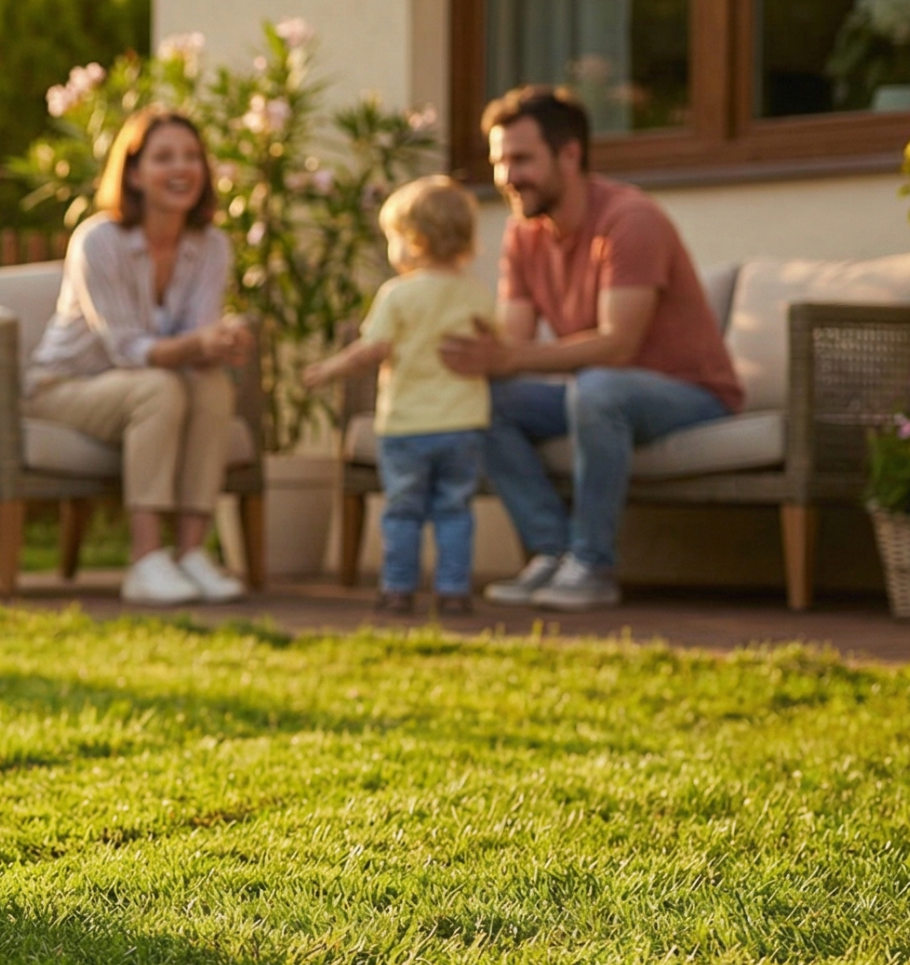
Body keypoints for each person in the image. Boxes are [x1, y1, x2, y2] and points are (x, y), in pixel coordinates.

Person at [440, 86, 743, 611]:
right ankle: (552, 554)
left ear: (570, 154)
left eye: (521, 160)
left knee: (599, 388)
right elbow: (510, 345)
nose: (507, 177)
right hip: (600, 390)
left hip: (691, 395)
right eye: (498, 162)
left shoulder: (630, 219)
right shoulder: (523, 233)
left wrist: (508, 358)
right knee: (485, 398)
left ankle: (593, 564)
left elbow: (618, 345)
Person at [24, 108, 254, 606]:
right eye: (164, 157)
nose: (182, 168)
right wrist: (198, 344)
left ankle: (191, 553)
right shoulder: (98, 240)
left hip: (148, 382)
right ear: (132, 172)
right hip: (63, 388)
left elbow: (197, 337)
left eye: (192, 156)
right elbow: (125, 349)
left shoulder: (211, 244)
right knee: (160, 386)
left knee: (212, 384)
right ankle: (145, 559)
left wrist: (221, 341)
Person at [302, 176, 495, 615]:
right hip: (464, 425)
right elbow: (494, 344)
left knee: (403, 511)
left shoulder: (398, 295)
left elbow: (373, 350)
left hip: (407, 426)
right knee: (454, 510)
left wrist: (330, 367)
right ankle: (452, 591)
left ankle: (397, 588)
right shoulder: (475, 294)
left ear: (415, 241)